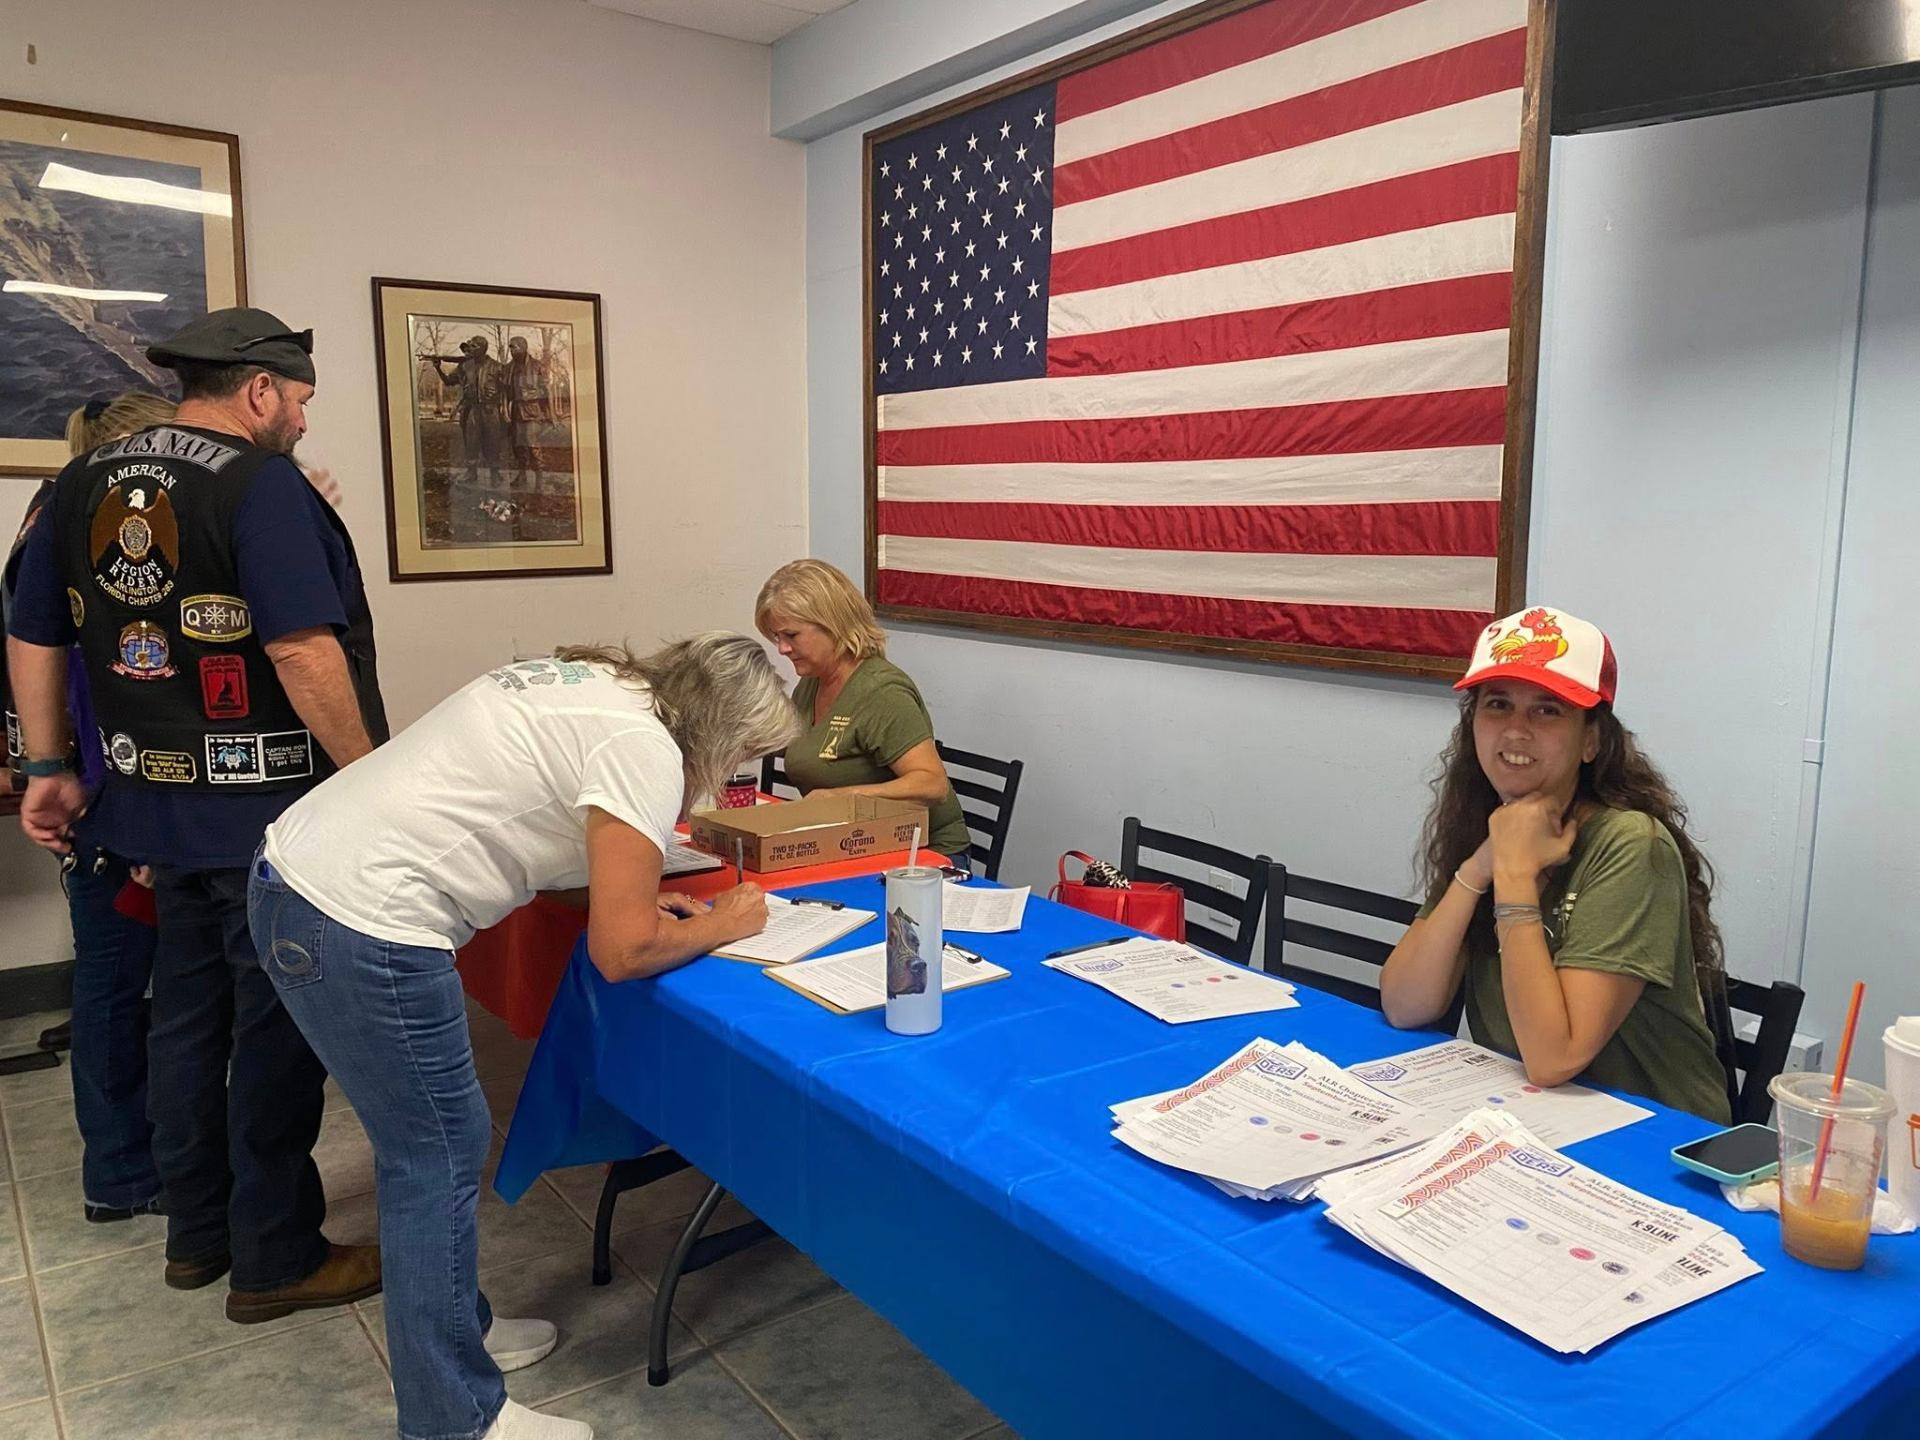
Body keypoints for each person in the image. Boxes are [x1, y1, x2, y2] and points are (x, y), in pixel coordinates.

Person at [252, 633, 798, 1440]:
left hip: (303, 880)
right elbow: (621, 954)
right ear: (719, 729)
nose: (734, 774)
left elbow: (545, 826)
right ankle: (454, 1419)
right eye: (744, 753)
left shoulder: (599, 684)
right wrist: (725, 922)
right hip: (363, 920)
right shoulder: (644, 749)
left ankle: (456, 1336)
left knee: (427, 1149)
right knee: (434, 1158)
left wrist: (637, 901)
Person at [6, 307, 390, 1321]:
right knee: (274, 1035)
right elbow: (301, 648)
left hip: (152, 813)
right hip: (271, 822)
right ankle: (277, 1257)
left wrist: (48, 765)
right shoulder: (258, 482)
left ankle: (199, 1234)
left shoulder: (78, 484)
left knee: (182, 1024)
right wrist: (373, 782)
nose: (302, 420)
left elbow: (34, 633)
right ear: (259, 390)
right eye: (300, 400)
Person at [1379, 607, 1734, 1122]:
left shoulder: (1631, 843)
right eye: (1497, 704)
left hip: (1656, 1135)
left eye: (1547, 711)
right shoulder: (1491, 825)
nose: (1515, 730)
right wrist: (1479, 867)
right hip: (1533, 1115)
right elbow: (1405, 1004)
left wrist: (1515, 877)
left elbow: (1554, 1057)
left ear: (1592, 740)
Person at [2, 393, 175, 1222]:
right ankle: (122, 1172)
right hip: (106, 795)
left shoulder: (53, 517)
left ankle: (133, 1162)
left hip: (94, 790)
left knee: (119, 982)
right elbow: (95, 680)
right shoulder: (85, 530)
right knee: (114, 984)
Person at [754, 559, 972, 862]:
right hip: (852, 845)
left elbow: (932, 785)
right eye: (777, 637)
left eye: (791, 635)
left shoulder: (881, 692)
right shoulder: (812, 682)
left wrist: (841, 798)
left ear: (833, 625)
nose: (782, 649)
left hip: (924, 855)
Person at [501, 335, 548, 488]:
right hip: (516, 412)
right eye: (510, 347)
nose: (511, 350)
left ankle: (539, 477)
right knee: (518, 445)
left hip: (533, 411)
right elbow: (505, 392)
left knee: (532, 443)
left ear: (523, 347)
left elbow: (546, 391)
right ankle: (522, 475)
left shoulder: (537, 366)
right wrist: (505, 411)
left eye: (513, 346)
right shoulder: (509, 368)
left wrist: (549, 412)